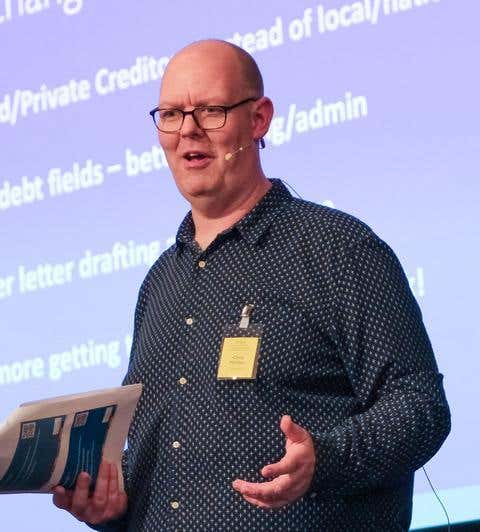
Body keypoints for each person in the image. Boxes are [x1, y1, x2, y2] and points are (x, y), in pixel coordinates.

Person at [52, 39, 451, 531]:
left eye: (211, 111)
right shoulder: (160, 283)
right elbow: (160, 465)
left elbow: (418, 406)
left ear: (259, 119)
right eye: (172, 113)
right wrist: (112, 506)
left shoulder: (336, 248)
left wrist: (322, 461)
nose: (188, 130)